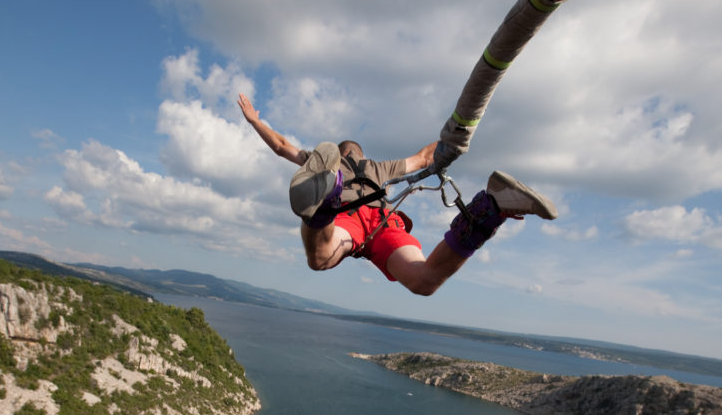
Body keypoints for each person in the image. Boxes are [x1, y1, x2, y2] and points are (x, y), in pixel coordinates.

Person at [238, 93, 557, 296]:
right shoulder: (380, 167)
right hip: (381, 223)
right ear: (360, 154)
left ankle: (324, 204)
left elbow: (281, 146)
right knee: (424, 282)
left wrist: (255, 121)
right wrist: (455, 135)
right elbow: (422, 158)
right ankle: (489, 210)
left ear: (337, 153)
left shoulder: (326, 161)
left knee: (320, 258)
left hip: (349, 219)